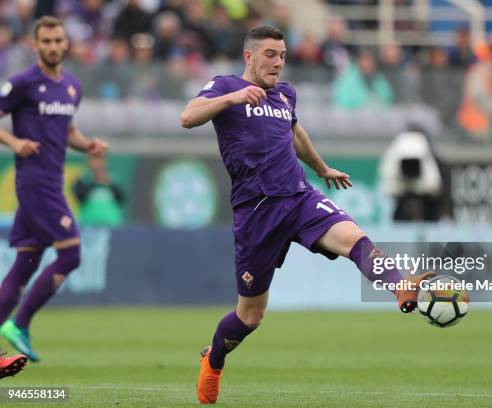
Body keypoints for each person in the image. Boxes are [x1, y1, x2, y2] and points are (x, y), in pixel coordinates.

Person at [180, 25, 434, 404]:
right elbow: (188, 116)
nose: (278, 62)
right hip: (256, 211)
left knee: (352, 237)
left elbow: (295, 133)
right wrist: (232, 99)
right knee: (250, 316)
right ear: (249, 56)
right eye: (270, 54)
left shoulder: (284, 95)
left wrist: (321, 167)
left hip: (299, 196)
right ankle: (213, 361)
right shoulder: (225, 85)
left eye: (282, 55)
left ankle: (399, 284)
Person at [0, 16, 108, 362]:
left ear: (66, 43)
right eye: (45, 41)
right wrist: (14, 142)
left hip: (51, 181)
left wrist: (88, 144)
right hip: (34, 183)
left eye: (58, 40)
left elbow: (67, 131)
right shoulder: (22, 83)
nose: (52, 46)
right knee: (72, 253)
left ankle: (10, 325)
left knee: (25, 264)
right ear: (35, 45)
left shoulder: (72, 86)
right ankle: (20, 323)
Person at [73, 156, 125, 227]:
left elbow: (121, 198)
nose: (97, 164)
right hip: (88, 221)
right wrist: (95, 183)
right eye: (93, 160)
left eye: (100, 160)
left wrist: (110, 183)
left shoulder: (114, 179)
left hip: (111, 221)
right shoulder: (83, 180)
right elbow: (79, 197)